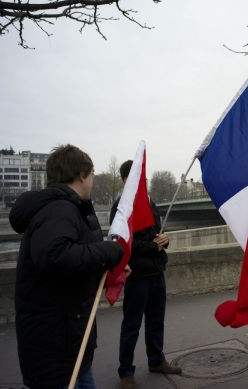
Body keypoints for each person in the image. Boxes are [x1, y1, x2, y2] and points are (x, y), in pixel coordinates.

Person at [10, 144, 125, 389]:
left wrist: (105, 269)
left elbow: (69, 268)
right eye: (92, 174)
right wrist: (108, 251)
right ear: (81, 175)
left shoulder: (59, 207)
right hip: (56, 346)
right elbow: (55, 256)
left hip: (65, 343)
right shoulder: (60, 209)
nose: (93, 180)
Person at [111, 160, 181, 389]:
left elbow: (156, 236)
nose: (145, 181)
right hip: (137, 275)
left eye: (144, 177)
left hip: (156, 271)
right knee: (131, 325)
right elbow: (123, 244)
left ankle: (156, 360)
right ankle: (126, 372)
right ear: (126, 180)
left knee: (156, 321)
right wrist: (154, 246)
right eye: (139, 178)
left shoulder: (150, 203)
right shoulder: (122, 207)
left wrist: (164, 240)